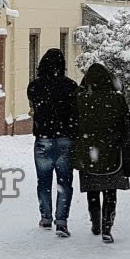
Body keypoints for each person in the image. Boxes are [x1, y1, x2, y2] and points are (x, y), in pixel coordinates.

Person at [74, 63, 130, 243]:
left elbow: (74, 124)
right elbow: (126, 123)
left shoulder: (81, 99)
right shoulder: (117, 99)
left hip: (89, 150)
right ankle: (107, 227)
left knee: (93, 188)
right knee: (110, 190)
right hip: (112, 150)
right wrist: (120, 141)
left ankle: (96, 223)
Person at [27, 48, 78, 237]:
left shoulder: (34, 87)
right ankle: (62, 221)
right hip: (65, 139)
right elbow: (75, 113)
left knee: (44, 181)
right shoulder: (71, 86)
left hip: (43, 139)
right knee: (64, 182)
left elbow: (34, 104)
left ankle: (46, 217)